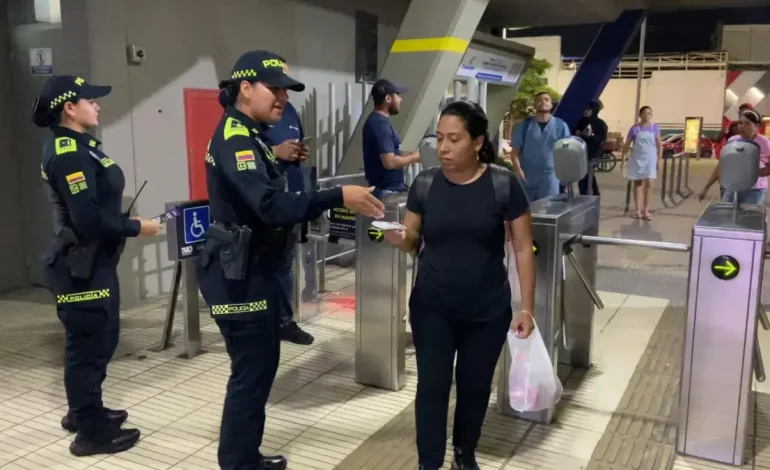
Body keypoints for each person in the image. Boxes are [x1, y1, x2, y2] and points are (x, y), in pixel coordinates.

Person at [199, 50, 384, 470]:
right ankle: (238, 462)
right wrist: (339, 195)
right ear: (245, 88)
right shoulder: (235, 137)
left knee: (259, 369)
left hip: (251, 269)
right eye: (274, 87)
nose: (283, 97)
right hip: (237, 275)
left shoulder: (250, 133)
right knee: (252, 372)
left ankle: (244, 456)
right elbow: (268, 205)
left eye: (285, 89)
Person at [383, 100, 536, 470]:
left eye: (454, 139)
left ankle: (465, 453)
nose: (445, 147)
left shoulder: (503, 185)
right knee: (432, 388)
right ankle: (429, 462)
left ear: (479, 141)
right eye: (439, 138)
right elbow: (413, 240)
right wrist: (397, 237)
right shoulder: (425, 183)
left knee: (474, 388)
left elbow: (522, 247)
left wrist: (526, 307)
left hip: (488, 310)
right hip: (432, 306)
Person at [32, 75, 161, 456]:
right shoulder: (69, 152)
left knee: (96, 341)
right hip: (80, 265)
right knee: (89, 346)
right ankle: (89, 433)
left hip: (90, 260)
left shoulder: (76, 146)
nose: (98, 105)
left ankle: (86, 410)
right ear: (69, 108)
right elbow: (87, 220)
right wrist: (139, 226)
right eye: (91, 100)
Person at [260, 60, 315, 346]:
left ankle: (283, 320)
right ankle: (266, 321)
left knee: (286, 263)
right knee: (263, 264)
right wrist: (275, 152)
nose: (283, 93)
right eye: (277, 84)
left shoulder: (290, 110)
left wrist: (298, 152)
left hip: (291, 196)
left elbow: (294, 143)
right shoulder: (251, 118)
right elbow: (245, 156)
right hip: (266, 203)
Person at [507, 91, 571, 202]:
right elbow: (515, 152)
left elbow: (566, 153)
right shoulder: (525, 126)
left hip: (550, 177)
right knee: (526, 212)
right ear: (535, 104)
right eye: (539, 100)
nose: (543, 102)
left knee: (548, 210)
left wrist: (565, 175)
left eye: (546, 99)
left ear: (551, 105)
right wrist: (518, 170)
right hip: (526, 177)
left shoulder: (561, 126)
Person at [362, 78, 421, 199]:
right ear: (388, 99)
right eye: (398, 95)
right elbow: (389, 162)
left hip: (387, 190)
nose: (401, 100)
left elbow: (389, 154)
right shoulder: (380, 124)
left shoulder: (378, 121)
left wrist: (408, 155)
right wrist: (415, 158)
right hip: (387, 192)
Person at [699, 109, 770, 205]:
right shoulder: (733, 141)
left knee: (748, 219)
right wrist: (706, 188)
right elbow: (721, 165)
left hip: (755, 191)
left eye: (747, 123)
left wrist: (751, 174)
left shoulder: (764, 143)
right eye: (740, 123)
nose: (742, 126)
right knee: (725, 216)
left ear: (756, 126)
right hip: (733, 188)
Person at [622, 106, 662, 220]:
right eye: (644, 113)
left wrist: (659, 160)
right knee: (638, 183)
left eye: (649, 113)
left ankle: (646, 210)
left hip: (650, 159)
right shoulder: (634, 129)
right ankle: (638, 210)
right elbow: (627, 144)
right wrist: (623, 158)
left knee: (649, 182)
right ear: (640, 115)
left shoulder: (655, 128)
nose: (647, 116)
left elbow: (659, 145)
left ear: (651, 115)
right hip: (637, 158)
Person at [574, 100, 607, 196]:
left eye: (588, 109)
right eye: (585, 109)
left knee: (588, 174)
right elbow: (576, 132)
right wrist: (578, 133)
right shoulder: (582, 121)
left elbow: (602, 138)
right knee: (585, 175)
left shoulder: (600, 124)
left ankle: (586, 195)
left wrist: (590, 136)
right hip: (581, 153)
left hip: (593, 154)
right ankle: (593, 193)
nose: (585, 111)